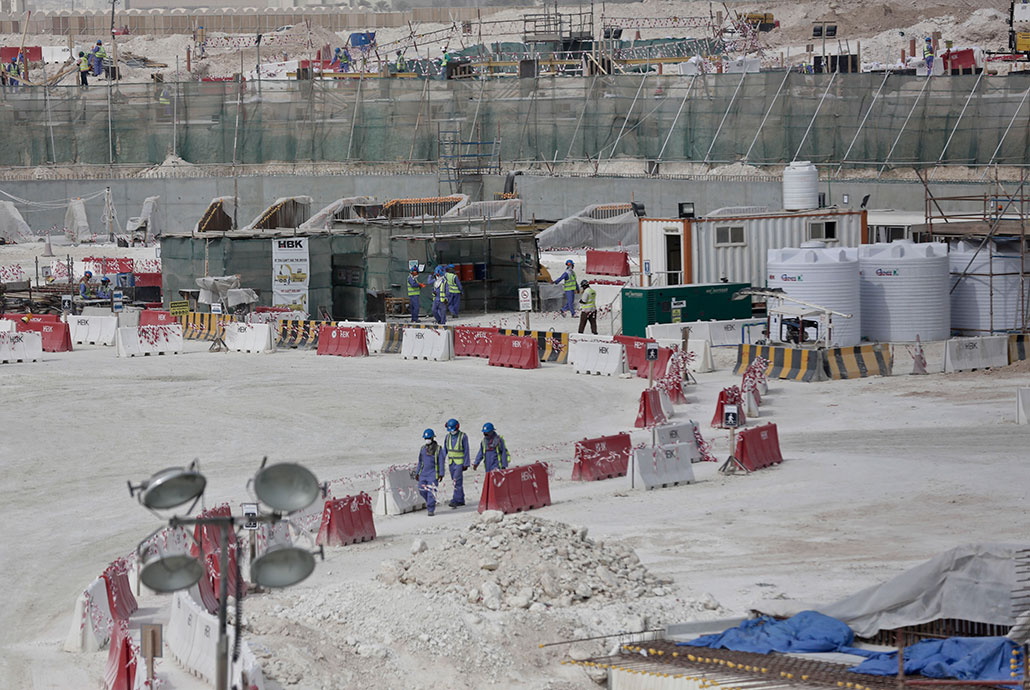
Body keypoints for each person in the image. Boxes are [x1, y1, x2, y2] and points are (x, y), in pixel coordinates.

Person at [416, 429, 445, 517]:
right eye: (426, 438)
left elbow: (441, 462)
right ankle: (430, 502)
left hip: (433, 474)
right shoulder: (422, 449)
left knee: (431, 492)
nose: (427, 440)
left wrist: (441, 474)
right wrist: (417, 473)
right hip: (423, 474)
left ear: (432, 438)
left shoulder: (438, 449)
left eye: (428, 438)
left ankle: (431, 509)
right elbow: (420, 462)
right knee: (422, 490)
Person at [443, 418, 470, 508]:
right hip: (451, 462)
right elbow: (444, 450)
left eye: (453, 429)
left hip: (459, 463)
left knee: (456, 481)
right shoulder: (447, 437)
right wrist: (440, 461)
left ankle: (456, 499)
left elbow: (466, 450)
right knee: (455, 481)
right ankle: (461, 499)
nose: (452, 431)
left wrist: (466, 464)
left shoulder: (463, 436)